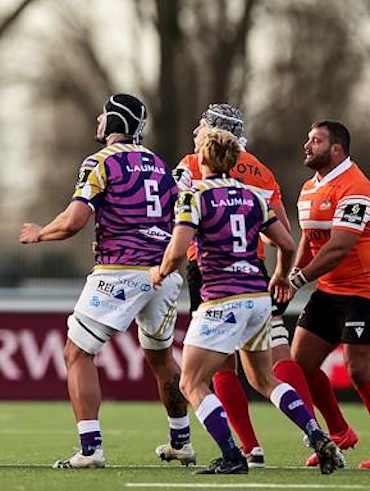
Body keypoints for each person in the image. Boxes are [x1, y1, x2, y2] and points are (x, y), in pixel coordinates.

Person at [152, 127, 341, 475]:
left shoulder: (194, 197)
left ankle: (232, 455)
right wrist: (281, 275)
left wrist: (160, 273)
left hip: (221, 300)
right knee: (264, 380)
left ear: (204, 158)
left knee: (190, 383)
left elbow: (178, 251)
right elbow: (285, 243)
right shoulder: (252, 196)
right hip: (257, 300)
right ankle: (316, 434)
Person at [19, 95, 193, 469]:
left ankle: (90, 449)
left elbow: (73, 222)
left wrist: (39, 233)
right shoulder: (162, 166)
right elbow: (174, 222)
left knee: (77, 353)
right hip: (162, 274)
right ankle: (181, 440)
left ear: (115, 120)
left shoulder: (100, 161)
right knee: (162, 360)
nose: (97, 118)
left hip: (121, 272)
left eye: (103, 113)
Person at [173, 104, 311, 468]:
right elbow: (282, 232)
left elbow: (175, 217)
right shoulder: (261, 172)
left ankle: (246, 448)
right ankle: (315, 432)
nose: (196, 131)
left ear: (212, 133)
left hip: (210, 273)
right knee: (269, 368)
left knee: (212, 371)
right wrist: (283, 274)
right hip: (254, 271)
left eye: (202, 126)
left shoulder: (191, 163)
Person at [290, 120, 370, 471]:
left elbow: (339, 247)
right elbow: (308, 241)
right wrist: (287, 275)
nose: (307, 145)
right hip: (328, 289)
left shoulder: (357, 186)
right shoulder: (309, 188)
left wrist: (300, 279)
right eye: (308, 138)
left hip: (363, 291)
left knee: (359, 371)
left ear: (337, 148)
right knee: (300, 364)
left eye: (316, 140)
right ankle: (339, 433)